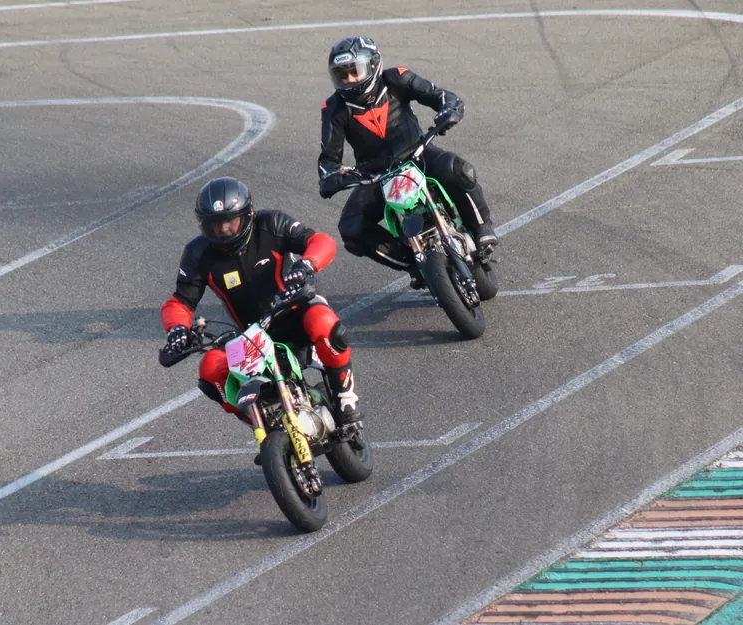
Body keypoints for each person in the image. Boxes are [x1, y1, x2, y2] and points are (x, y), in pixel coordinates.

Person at [159, 176, 363, 455]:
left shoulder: (272, 224)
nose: (223, 230)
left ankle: (345, 398)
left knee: (326, 324)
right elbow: (180, 302)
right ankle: (266, 422)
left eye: (230, 221)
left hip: (295, 310)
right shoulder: (198, 253)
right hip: (253, 334)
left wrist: (306, 265)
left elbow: (320, 241)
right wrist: (177, 330)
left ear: (247, 215)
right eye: (215, 224)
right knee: (210, 369)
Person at [317, 35, 498, 284]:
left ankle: (481, 228)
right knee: (351, 228)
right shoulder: (333, 108)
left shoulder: (397, 78)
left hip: (418, 154)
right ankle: (412, 262)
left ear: (373, 65)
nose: (348, 80)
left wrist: (449, 110)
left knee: (458, 169)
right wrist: (330, 177)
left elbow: (441, 96)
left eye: (354, 72)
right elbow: (328, 158)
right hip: (376, 175)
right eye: (341, 75)